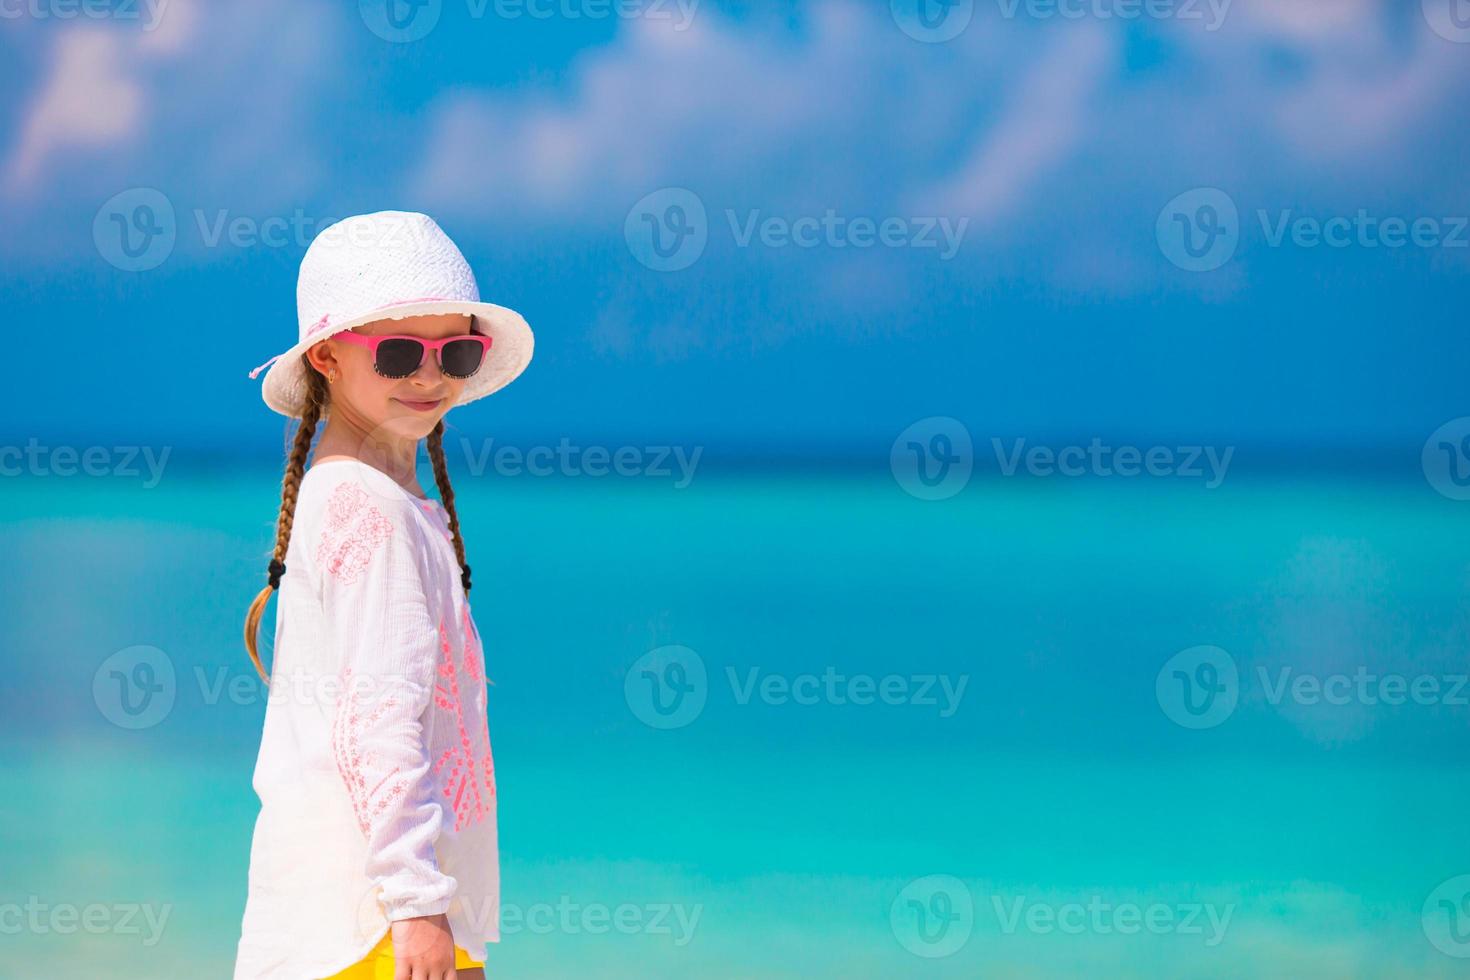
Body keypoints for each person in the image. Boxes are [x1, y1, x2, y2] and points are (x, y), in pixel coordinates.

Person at [234, 210, 534, 979]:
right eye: (400, 352)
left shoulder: (362, 498)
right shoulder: (369, 510)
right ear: (329, 357)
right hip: (374, 926)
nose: (429, 376)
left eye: (455, 351)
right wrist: (417, 902)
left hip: (358, 919)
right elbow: (378, 720)